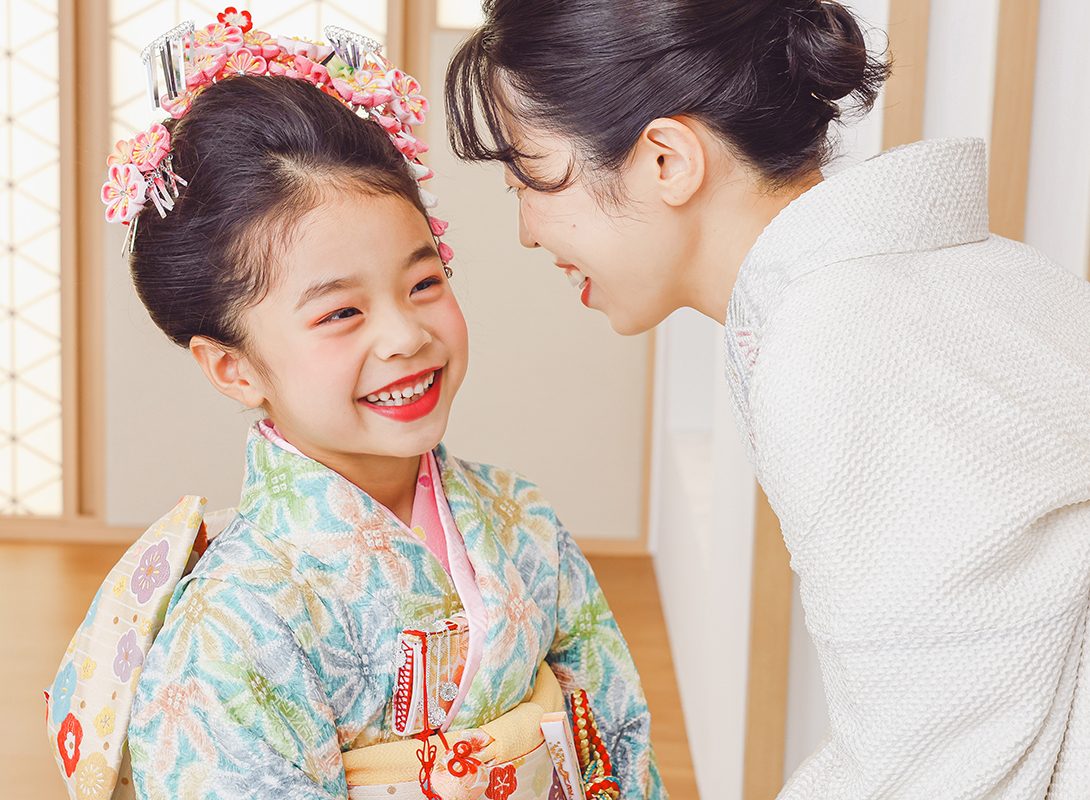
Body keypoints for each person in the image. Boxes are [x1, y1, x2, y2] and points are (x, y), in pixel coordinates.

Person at [444, 0, 1090, 797]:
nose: (527, 229)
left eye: (531, 178)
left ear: (667, 161)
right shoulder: (955, 276)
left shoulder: (836, 345)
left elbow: (940, 766)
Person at [46, 14, 663, 800]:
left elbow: (617, 742)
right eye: (341, 312)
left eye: (424, 282)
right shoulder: (233, 625)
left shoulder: (522, 521)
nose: (406, 336)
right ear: (233, 367)